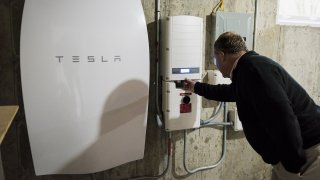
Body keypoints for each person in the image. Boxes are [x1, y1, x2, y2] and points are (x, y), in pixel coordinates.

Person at [182, 32, 320, 180]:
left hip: (307, 152)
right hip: (293, 153)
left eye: (216, 60)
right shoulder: (247, 69)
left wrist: (293, 164)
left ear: (222, 55)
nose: (217, 65)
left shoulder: (253, 70)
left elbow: (283, 117)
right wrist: (196, 87)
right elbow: (230, 92)